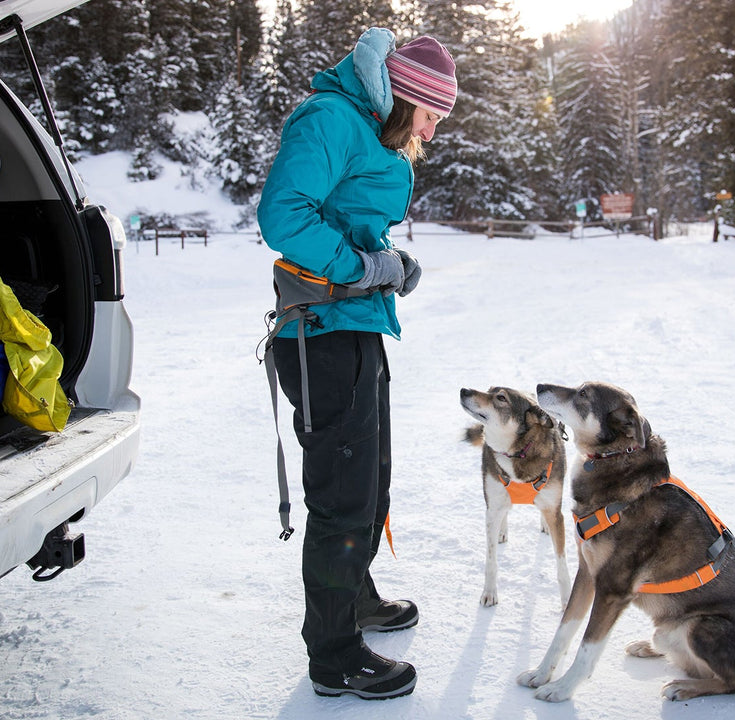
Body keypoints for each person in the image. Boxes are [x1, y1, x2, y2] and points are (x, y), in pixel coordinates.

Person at [256, 28, 457, 701]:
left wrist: (388, 262)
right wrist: (364, 267)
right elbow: (284, 215)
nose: (432, 128)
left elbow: (349, 218)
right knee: (342, 499)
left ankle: (357, 595)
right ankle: (334, 654)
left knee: (371, 483)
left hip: (356, 327)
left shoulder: (368, 131)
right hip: (319, 334)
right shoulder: (331, 118)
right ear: (402, 97)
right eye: (431, 113)